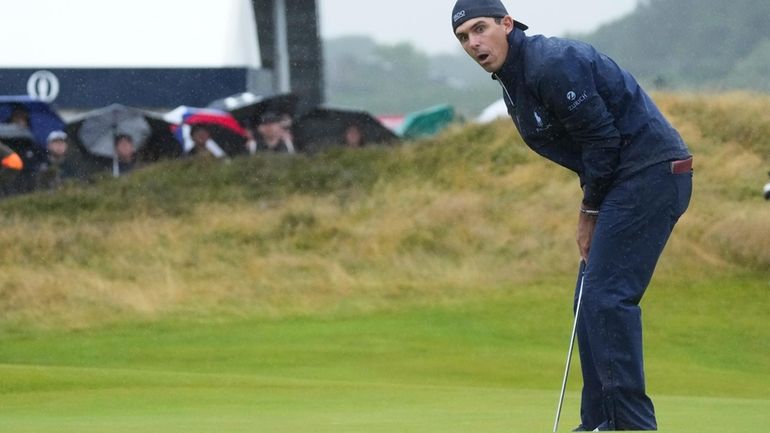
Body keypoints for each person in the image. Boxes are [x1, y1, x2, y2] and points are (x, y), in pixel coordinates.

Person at [452, 1, 692, 431]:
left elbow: (602, 142)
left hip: (650, 173)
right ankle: (599, 421)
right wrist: (595, 201)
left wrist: (590, 211)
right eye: (464, 37)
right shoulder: (514, 81)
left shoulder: (551, 64)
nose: (474, 43)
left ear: (507, 24)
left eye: (481, 28)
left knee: (605, 298)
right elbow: (586, 150)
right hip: (624, 179)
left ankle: (630, 425)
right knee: (588, 302)